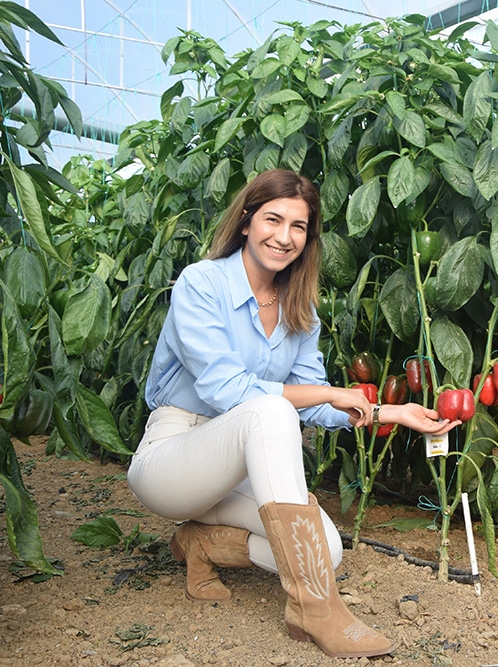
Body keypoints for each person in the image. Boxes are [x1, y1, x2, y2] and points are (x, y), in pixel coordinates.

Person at [127, 169, 457, 659]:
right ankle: (315, 609)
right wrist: (330, 391)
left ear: (308, 238)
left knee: (327, 551)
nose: (284, 237)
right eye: (272, 220)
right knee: (270, 411)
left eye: (298, 227)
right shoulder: (201, 284)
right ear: (245, 221)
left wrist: (391, 410)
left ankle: (203, 545)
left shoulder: (300, 308)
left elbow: (318, 405)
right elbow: (227, 390)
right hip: (175, 458)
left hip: (240, 471)